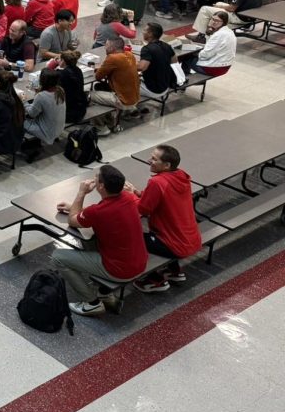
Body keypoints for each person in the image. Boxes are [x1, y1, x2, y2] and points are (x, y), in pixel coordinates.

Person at [52, 164, 148, 316]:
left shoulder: (97, 211)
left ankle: (91, 303)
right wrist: (74, 207)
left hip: (120, 269)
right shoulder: (129, 198)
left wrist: (81, 193)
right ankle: (104, 293)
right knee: (90, 240)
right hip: (140, 261)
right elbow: (98, 214)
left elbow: (72, 220)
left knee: (58, 257)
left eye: (97, 177)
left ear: (101, 186)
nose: (94, 178)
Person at [128, 145, 203, 293]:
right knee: (159, 236)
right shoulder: (181, 176)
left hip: (174, 245)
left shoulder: (157, 182)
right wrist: (136, 192)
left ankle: (154, 280)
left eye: (154, 159)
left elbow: (142, 209)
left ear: (167, 165)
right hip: (191, 239)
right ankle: (175, 272)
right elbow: (160, 198)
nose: (149, 161)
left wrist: (130, 196)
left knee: (132, 239)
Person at [90, 35, 141, 134]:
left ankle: (101, 127)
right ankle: (112, 121)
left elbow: (98, 77)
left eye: (107, 45)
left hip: (123, 101)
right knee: (100, 87)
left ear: (112, 48)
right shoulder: (130, 55)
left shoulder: (112, 58)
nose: (105, 47)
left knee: (89, 95)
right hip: (135, 98)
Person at [21, 69, 67, 160]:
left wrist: (24, 101)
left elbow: (31, 114)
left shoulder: (41, 96)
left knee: (17, 119)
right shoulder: (60, 90)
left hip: (46, 132)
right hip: (59, 128)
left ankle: (20, 145)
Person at [180, 10, 237, 77]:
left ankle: (182, 80)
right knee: (192, 54)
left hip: (215, 68)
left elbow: (206, 54)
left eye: (217, 21)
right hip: (225, 66)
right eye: (212, 19)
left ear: (224, 22)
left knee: (185, 57)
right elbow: (212, 47)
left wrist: (196, 53)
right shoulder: (229, 31)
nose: (213, 22)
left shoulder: (219, 35)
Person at [138, 22, 177, 101]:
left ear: (150, 34)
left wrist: (129, 65)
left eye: (145, 30)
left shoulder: (147, 49)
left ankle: (130, 108)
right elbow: (174, 61)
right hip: (165, 86)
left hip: (153, 90)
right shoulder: (167, 46)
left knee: (121, 83)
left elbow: (142, 68)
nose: (142, 32)